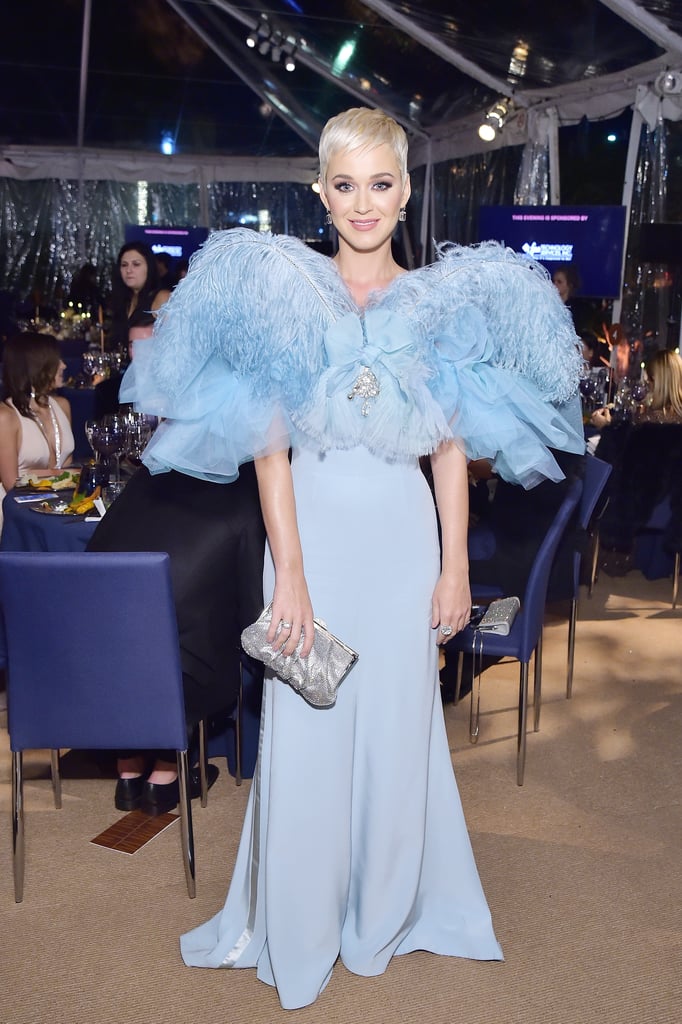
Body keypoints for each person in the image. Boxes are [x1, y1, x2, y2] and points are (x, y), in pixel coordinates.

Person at [121, 108, 584, 1009]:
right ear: (320, 192)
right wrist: (288, 573)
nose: (363, 204)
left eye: (381, 184)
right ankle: (298, 919)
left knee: (397, 725)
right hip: (314, 542)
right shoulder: (287, 295)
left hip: (405, 542)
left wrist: (454, 567)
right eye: (345, 185)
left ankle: (383, 912)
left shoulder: (437, 303)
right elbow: (267, 449)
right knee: (310, 725)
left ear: (406, 189)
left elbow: (448, 449)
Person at [86, 462, 266, 814]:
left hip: (102, 662)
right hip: (182, 678)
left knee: (144, 621)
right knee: (198, 632)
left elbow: (94, 554)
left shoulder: (146, 475)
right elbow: (252, 612)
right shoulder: (247, 492)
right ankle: (165, 775)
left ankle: (129, 769)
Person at [0, 331, 75, 531]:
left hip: (58, 506)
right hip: (16, 514)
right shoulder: (6, 417)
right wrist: (59, 475)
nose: (64, 366)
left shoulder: (62, 405)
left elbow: (66, 464)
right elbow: (11, 484)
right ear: (38, 366)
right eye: (56, 361)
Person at [95, 243, 172, 418]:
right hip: (128, 374)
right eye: (124, 265)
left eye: (136, 264)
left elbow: (175, 344)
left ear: (149, 267)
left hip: (152, 381)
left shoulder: (162, 297)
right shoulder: (125, 300)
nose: (129, 270)